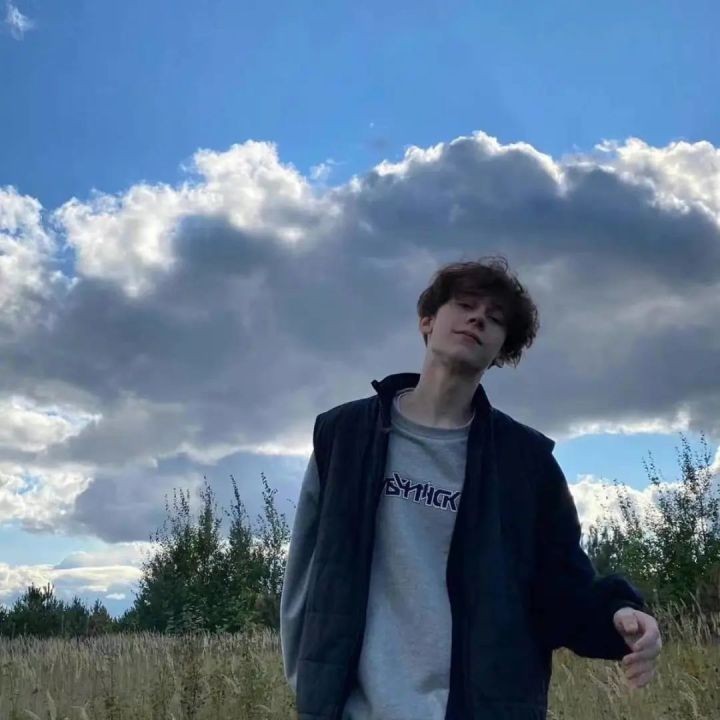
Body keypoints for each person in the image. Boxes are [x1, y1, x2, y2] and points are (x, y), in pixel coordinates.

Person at [280, 255, 662, 720]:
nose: (479, 318)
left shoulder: (526, 462)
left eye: (495, 318)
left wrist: (617, 615)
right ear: (427, 320)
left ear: (501, 349)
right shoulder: (344, 435)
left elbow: (560, 587)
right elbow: (305, 570)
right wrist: (311, 689)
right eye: (464, 305)